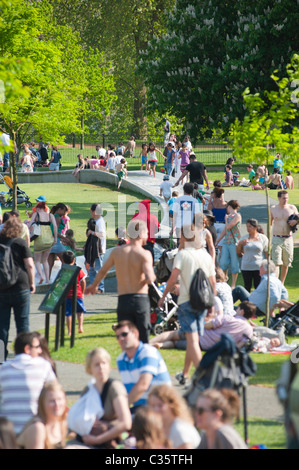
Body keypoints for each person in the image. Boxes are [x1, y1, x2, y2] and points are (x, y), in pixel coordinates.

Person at [158, 223, 216, 384]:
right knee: (194, 339)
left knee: (191, 340)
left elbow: (172, 278)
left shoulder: (182, 255)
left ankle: (203, 376)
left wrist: (163, 297)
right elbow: (213, 283)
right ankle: (185, 374)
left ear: (183, 237)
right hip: (203, 301)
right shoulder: (205, 255)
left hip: (186, 301)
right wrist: (212, 304)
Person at [86, 220, 156, 343]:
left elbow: (102, 271)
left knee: (125, 339)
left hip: (123, 300)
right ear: (142, 233)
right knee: (143, 338)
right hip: (140, 299)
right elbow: (149, 277)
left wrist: (93, 285)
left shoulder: (117, 252)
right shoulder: (144, 254)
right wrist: (152, 278)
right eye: (146, 233)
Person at [0, 332, 57, 434]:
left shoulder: (3, 368)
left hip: (7, 431)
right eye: (37, 347)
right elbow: (55, 391)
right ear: (27, 349)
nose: (40, 350)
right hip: (33, 428)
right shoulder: (43, 366)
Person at [151, 299, 255, 354]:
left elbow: (209, 326)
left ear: (241, 311)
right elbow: (239, 345)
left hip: (200, 336)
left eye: (237, 309)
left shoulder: (228, 318)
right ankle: (161, 346)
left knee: (172, 334)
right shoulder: (249, 330)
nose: (235, 311)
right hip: (209, 348)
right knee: (175, 343)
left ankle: (148, 344)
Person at [77, 347, 132, 449]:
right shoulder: (88, 390)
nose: (101, 367)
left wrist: (97, 440)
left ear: (109, 366)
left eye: (104, 363)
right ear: (90, 369)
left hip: (110, 439)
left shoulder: (115, 388)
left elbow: (126, 423)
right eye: (96, 365)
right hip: (88, 437)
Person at [115, 320, 171, 414]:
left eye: (124, 334)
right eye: (118, 336)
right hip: (141, 409)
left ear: (135, 334)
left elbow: (143, 385)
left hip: (162, 407)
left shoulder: (148, 352)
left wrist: (121, 409)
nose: (121, 338)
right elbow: (129, 390)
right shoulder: (121, 360)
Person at [0, 218, 35, 360]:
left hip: (2, 288)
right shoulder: (20, 243)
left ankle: (1, 357)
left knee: (2, 326)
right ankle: (23, 356)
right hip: (21, 287)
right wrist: (32, 283)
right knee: (22, 324)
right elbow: (30, 265)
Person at [17, 381, 68, 449]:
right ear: (42, 403)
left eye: (59, 399)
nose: (57, 404)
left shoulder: (62, 423)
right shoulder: (37, 428)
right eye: (52, 401)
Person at [148, 384, 201, 449]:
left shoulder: (180, 429)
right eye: (152, 406)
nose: (156, 409)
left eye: (160, 405)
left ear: (171, 404)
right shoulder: (159, 425)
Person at [270, 190, 298, 284]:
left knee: (286, 263)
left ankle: (281, 284)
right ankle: (276, 283)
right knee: (276, 262)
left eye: (287, 198)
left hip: (288, 238)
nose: (285, 200)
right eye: (283, 198)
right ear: (279, 198)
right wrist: (268, 239)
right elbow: (270, 224)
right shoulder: (273, 208)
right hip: (276, 237)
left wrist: (296, 221)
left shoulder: (292, 207)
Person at [27, 197, 57, 285]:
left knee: (37, 260)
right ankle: (48, 279)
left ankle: (41, 276)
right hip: (49, 240)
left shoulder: (36, 215)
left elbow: (29, 224)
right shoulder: (50, 215)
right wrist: (55, 238)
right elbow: (55, 227)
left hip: (39, 239)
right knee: (45, 260)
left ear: (38, 208)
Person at [237, 218, 268, 292]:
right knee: (247, 288)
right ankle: (247, 303)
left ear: (256, 227)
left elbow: (267, 253)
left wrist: (266, 265)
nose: (248, 228)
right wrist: (240, 244)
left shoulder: (262, 238)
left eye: (250, 226)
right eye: (247, 226)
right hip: (246, 267)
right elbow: (238, 254)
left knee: (258, 287)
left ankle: (257, 303)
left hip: (259, 267)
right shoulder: (244, 238)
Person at [217, 200, 242, 289]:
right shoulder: (228, 216)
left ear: (230, 207)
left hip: (234, 243)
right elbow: (225, 230)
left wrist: (226, 220)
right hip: (226, 242)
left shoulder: (237, 216)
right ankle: (224, 281)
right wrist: (218, 240)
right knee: (223, 263)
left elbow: (228, 226)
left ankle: (233, 285)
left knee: (235, 264)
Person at [62, 250, 86, 335]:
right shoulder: (78, 270)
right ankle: (80, 327)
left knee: (68, 313)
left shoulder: (64, 271)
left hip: (67, 295)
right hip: (78, 294)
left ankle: (69, 331)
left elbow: (61, 283)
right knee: (80, 312)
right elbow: (83, 281)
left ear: (63, 260)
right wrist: (82, 292)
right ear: (73, 260)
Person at [86, 203, 106, 293]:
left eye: (91, 211)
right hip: (94, 249)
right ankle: (93, 287)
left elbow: (102, 234)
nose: (90, 213)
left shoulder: (100, 221)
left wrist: (92, 232)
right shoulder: (97, 221)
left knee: (97, 269)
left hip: (99, 249)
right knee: (92, 269)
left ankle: (100, 288)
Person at [48, 203, 68, 280]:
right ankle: (64, 278)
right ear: (59, 209)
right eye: (63, 211)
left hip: (50, 241)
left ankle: (47, 279)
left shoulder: (51, 216)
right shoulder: (58, 218)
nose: (64, 214)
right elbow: (55, 231)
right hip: (56, 241)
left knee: (50, 263)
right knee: (65, 261)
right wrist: (64, 238)